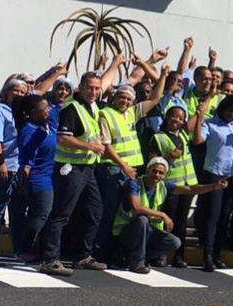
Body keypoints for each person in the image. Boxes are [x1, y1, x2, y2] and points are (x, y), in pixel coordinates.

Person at [94, 62, 166, 263]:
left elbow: (156, 97)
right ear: (114, 98)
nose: (125, 101)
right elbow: (107, 145)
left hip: (130, 171)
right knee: (108, 212)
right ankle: (100, 252)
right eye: (121, 97)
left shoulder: (132, 113)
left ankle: (119, 252)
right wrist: (123, 165)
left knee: (125, 213)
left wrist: (160, 74)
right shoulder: (106, 114)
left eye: (128, 98)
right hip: (113, 169)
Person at [38, 72, 108, 276]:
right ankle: (50, 259)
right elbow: (62, 138)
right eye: (90, 88)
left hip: (88, 168)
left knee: (95, 212)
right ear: (81, 87)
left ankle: (83, 256)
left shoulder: (93, 107)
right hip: (71, 168)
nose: (94, 91)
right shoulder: (72, 108)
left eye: (97, 88)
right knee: (62, 213)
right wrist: (90, 146)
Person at [113, 156, 227, 274]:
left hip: (148, 233)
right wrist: (162, 214)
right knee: (142, 219)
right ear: (147, 170)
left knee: (174, 242)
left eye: (161, 173)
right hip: (126, 233)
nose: (157, 175)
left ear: (165, 175)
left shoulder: (163, 186)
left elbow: (190, 189)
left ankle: (133, 256)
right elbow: (137, 208)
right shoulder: (134, 183)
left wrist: (214, 186)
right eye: (154, 171)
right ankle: (137, 262)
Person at [193, 94, 233, 272]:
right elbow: (197, 141)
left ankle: (217, 254)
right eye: (230, 110)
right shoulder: (211, 123)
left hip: (232, 173)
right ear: (223, 108)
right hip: (214, 172)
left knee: (224, 218)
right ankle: (208, 255)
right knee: (213, 215)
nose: (232, 114)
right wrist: (199, 119)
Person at [0, 77, 29, 260]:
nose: (18, 94)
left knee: (18, 209)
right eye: (15, 90)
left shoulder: (21, 113)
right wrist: (1, 163)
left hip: (19, 166)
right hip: (5, 166)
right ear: (7, 91)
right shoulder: (0, 111)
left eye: (22, 92)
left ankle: (19, 247)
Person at [149, 105, 200, 268]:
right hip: (171, 185)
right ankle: (161, 254)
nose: (176, 120)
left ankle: (179, 256)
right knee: (167, 220)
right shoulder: (157, 137)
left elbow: (199, 115)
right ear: (167, 116)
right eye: (173, 116)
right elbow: (152, 162)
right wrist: (168, 156)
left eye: (180, 117)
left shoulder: (184, 135)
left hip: (188, 184)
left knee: (182, 222)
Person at [13, 94, 54, 262]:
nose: (47, 111)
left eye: (48, 108)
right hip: (38, 180)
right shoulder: (29, 131)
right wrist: (24, 185)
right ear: (32, 113)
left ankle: (34, 247)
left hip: (49, 177)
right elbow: (26, 163)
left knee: (40, 214)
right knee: (41, 214)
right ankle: (24, 248)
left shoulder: (46, 126)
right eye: (43, 109)